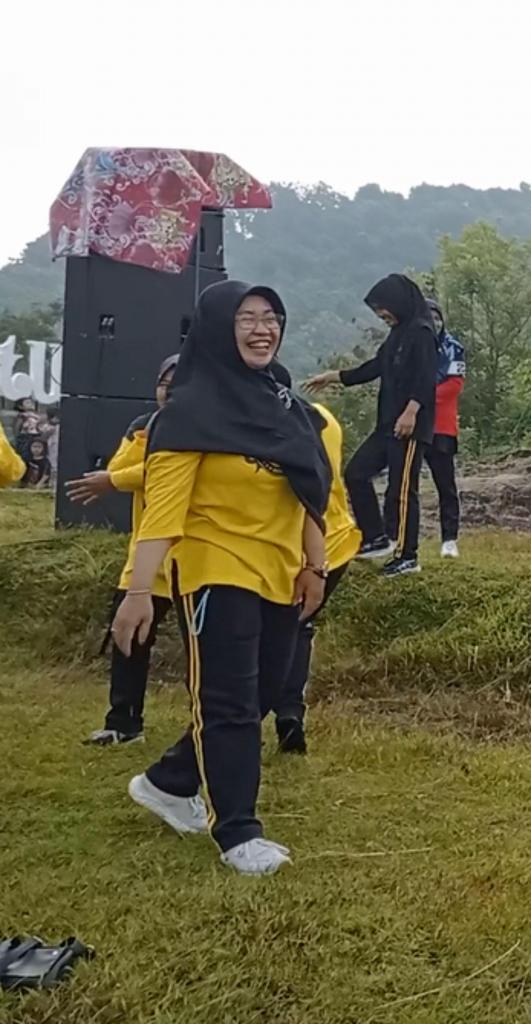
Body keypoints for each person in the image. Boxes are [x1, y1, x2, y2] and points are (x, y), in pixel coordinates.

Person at [111, 280, 331, 876]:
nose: (263, 329)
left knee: (264, 694)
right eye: (247, 318)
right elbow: (163, 513)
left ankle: (169, 781)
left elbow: (308, 494)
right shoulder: (187, 413)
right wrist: (139, 591)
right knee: (228, 700)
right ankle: (237, 831)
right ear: (216, 329)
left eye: (271, 317)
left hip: (279, 570)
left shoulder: (284, 406)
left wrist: (315, 565)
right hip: (215, 569)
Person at [66, 355, 179, 746]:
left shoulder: (207, 427)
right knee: (128, 634)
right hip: (147, 555)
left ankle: (214, 727)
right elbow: (119, 469)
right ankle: (123, 723)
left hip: (196, 556)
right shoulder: (142, 427)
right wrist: (145, 440)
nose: (170, 390)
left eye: (179, 383)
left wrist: (116, 479)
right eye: (164, 383)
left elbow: (166, 474)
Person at [304, 274, 437, 578]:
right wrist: (334, 377)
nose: (381, 315)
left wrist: (411, 412)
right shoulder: (398, 334)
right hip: (387, 425)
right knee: (356, 473)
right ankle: (376, 537)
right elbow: (374, 368)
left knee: (401, 491)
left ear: (398, 302)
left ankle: (407, 555)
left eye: (383, 309)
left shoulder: (422, 332)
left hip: (410, 426)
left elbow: (427, 378)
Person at [269, 402, 363, 754]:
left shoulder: (260, 420)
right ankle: (290, 713)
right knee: (298, 628)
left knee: (264, 633)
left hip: (286, 544)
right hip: (334, 542)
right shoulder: (323, 417)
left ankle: (245, 716)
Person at [425, 298, 465, 559]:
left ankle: (449, 539)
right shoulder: (410, 346)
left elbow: (454, 385)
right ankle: (397, 537)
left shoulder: (453, 348)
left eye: (437, 317)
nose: (434, 322)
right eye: (428, 317)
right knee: (403, 484)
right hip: (411, 424)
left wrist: (421, 398)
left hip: (441, 426)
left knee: (446, 485)